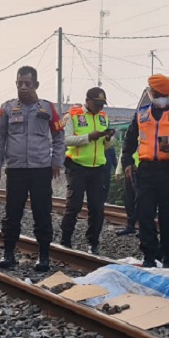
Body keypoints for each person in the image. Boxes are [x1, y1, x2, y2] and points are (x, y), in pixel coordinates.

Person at [0, 66, 65, 272]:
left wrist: (57, 161)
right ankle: (9, 253)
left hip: (41, 169)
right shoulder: (7, 108)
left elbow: (59, 137)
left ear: (36, 85)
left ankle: (43, 256)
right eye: (19, 83)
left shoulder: (48, 109)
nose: (22, 88)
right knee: (12, 213)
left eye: (27, 84)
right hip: (16, 170)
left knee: (42, 213)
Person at [121, 74, 169, 268]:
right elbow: (129, 141)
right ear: (149, 93)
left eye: (161, 94)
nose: (157, 96)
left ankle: (168, 257)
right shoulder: (141, 114)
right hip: (146, 171)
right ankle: (149, 256)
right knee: (144, 214)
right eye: (155, 93)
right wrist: (127, 162)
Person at [60, 87, 114, 254]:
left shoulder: (104, 117)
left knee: (97, 208)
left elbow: (106, 146)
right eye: (97, 104)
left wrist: (108, 138)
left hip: (99, 167)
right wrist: (89, 137)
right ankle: (66, 240)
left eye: (102, 104)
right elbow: (65, 140)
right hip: (77, 166)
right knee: (73, 205)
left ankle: (93, 242)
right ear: (87, 101)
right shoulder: (73, 116)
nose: (100, 108)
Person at [114, 148, 138, 236]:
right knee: (129, 199)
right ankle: (130, 226)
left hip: (144, 171)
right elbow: (124, 151)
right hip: (130, 170)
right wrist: (119, 169)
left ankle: (144, 228)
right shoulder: (132, 134)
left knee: (142, 201)